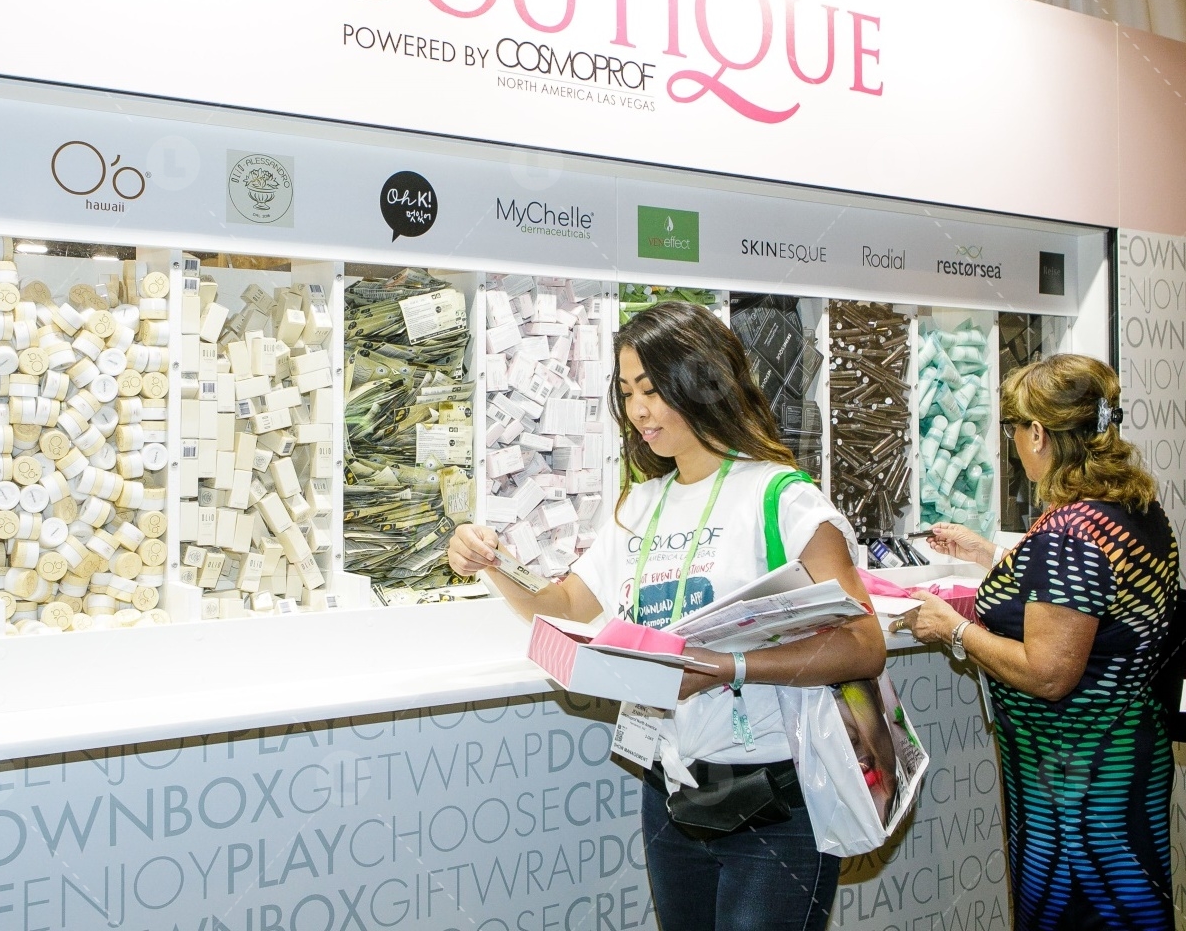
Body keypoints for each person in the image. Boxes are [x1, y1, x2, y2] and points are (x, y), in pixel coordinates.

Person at [449, 301, 885, 931]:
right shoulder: (641, 505)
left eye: (652, 390)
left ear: (703, 384)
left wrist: (727, 667)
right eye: (628, 393)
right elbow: (564, 603)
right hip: (670, 790)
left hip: (777, 796)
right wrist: (493, 563)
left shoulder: (781, 497)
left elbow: (864, 644)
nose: (638, 411)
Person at [896, 354, 1178, 931]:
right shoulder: (1134, 510)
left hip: (1074, 783)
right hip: (1128, 758)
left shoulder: (1068, 533)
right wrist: (989, 555)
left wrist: (953, 628)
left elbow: (1049, 672)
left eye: (1014, 429)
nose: (1015, 444)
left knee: (1078, 912)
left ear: (1039, 434)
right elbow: (1092, 604)